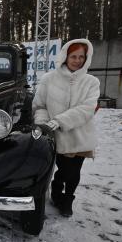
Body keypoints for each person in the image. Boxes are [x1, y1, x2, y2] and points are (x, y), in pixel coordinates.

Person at [32, 38, 100, 217]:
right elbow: (40, 106)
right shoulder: (49, 79)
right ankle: (56, 189)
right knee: (64, 170)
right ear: (65, 56)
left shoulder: (91, 82)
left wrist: (60, 121)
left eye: (81, 57)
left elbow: (87, 109)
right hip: (57, 136)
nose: (78, 60)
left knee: (74, 172)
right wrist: (44, 124)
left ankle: (67, 199)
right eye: (73, 56)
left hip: (80, 136)